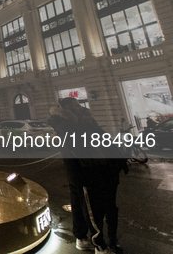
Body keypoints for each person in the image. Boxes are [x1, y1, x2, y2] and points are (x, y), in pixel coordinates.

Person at [49, 98, 125, 254]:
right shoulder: (68, 124)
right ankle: (100, 246)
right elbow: (82, 146)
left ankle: (82, 238)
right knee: (92, 210)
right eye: (76, 106)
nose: (80, 107)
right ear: (68, 108)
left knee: (80, 206)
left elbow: (103, 142)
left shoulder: (78, 122)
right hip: (84, 173)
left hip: (91, 172)